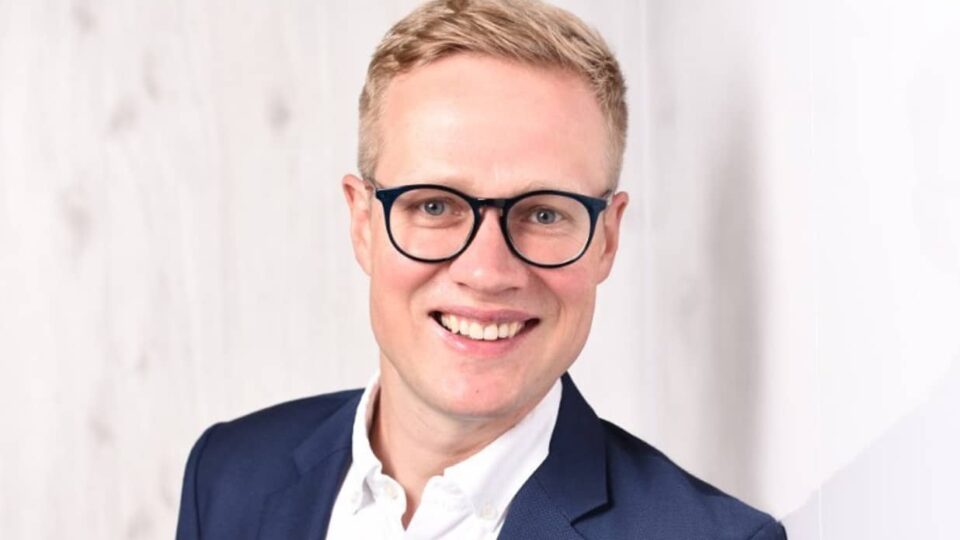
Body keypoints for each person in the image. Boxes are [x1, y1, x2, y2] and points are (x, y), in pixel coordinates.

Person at [176, 1, 787, 538]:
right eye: (434, 206)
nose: (487, 271)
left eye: (544, 213)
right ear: (362, 223)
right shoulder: (228, 474)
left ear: (606, 239)